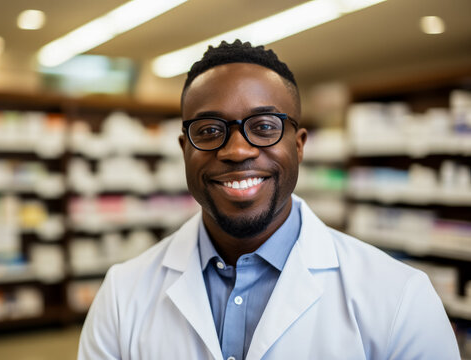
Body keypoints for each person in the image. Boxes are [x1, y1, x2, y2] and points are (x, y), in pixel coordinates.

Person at [78, 40, 460, 360]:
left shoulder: (399, 298)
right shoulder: (121, 295)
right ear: (184, 150)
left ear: (299, 145)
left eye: (263, 127)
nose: (238, 150)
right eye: (209, 130)